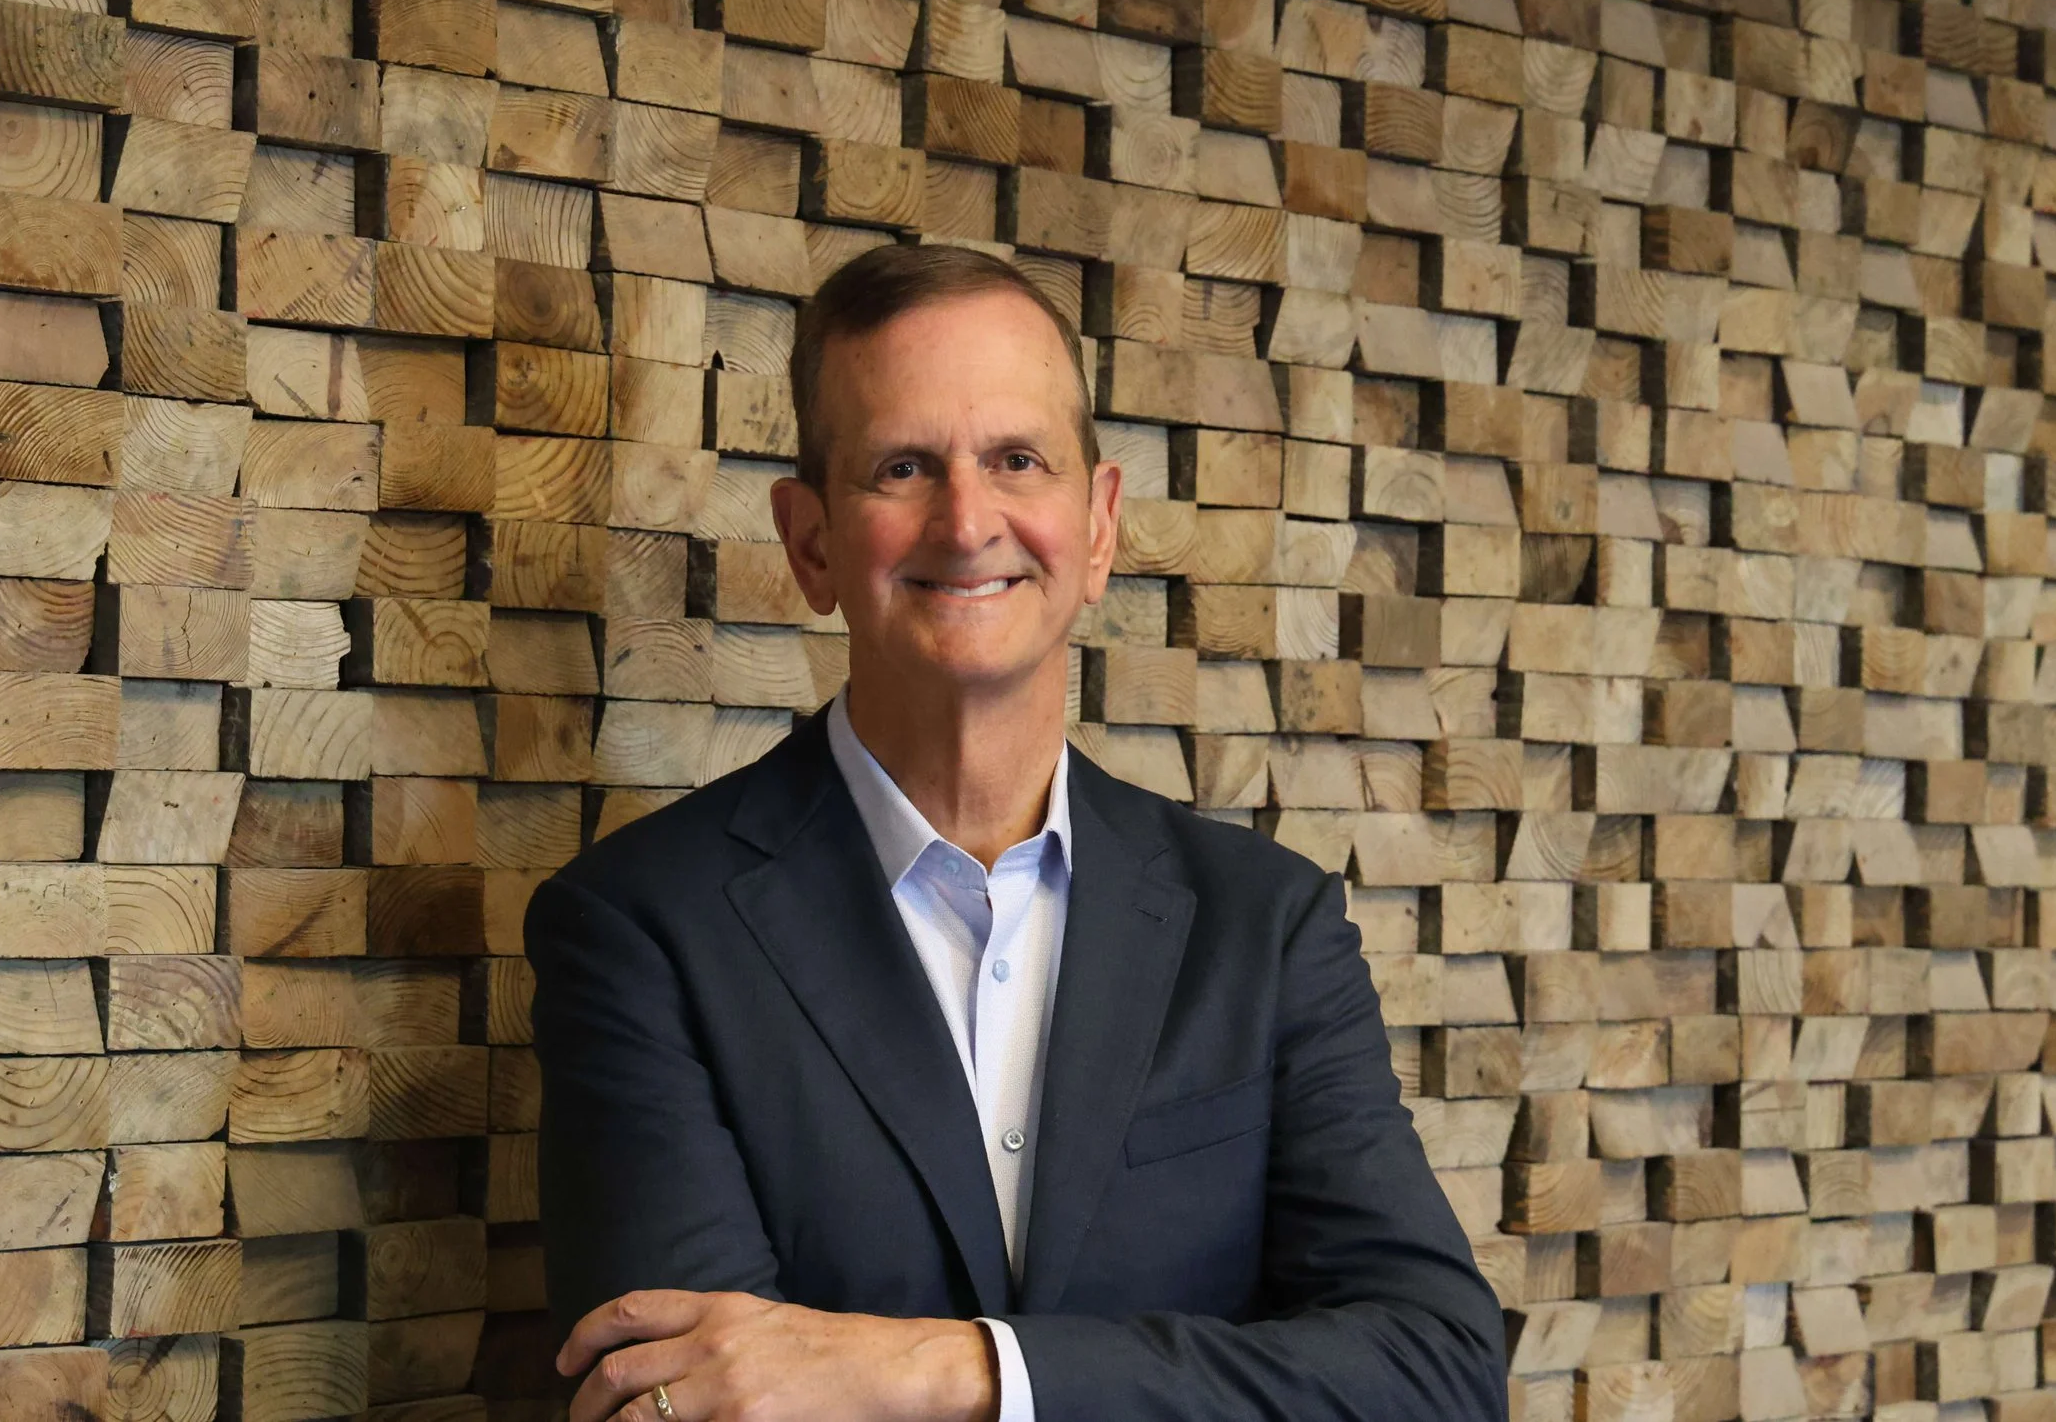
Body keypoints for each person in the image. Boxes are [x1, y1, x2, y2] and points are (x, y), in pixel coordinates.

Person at [524, 243, 1506, 1422]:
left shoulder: (1268, 923)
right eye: (902, 466)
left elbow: (1436, 1372)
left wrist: (962, 1371)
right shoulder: (638, 930)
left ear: (1096, 527)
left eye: (1016, 459)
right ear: (812, 541)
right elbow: (677, 1403)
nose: (968, 518)